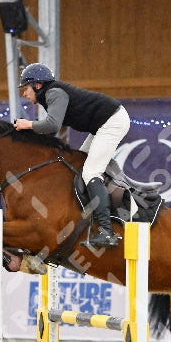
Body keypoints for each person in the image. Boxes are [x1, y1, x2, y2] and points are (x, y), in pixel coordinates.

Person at [13, 63, 130, 249]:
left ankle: (107, 232)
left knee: (91, 173)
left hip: (112, 122)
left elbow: (52, 126)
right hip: (103, 124)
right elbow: (49, 131)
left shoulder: (54, 93)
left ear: (37, 85)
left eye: (25, 89)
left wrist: (28, 125)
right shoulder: (49, 94)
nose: (24, 94)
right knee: (79, 163)